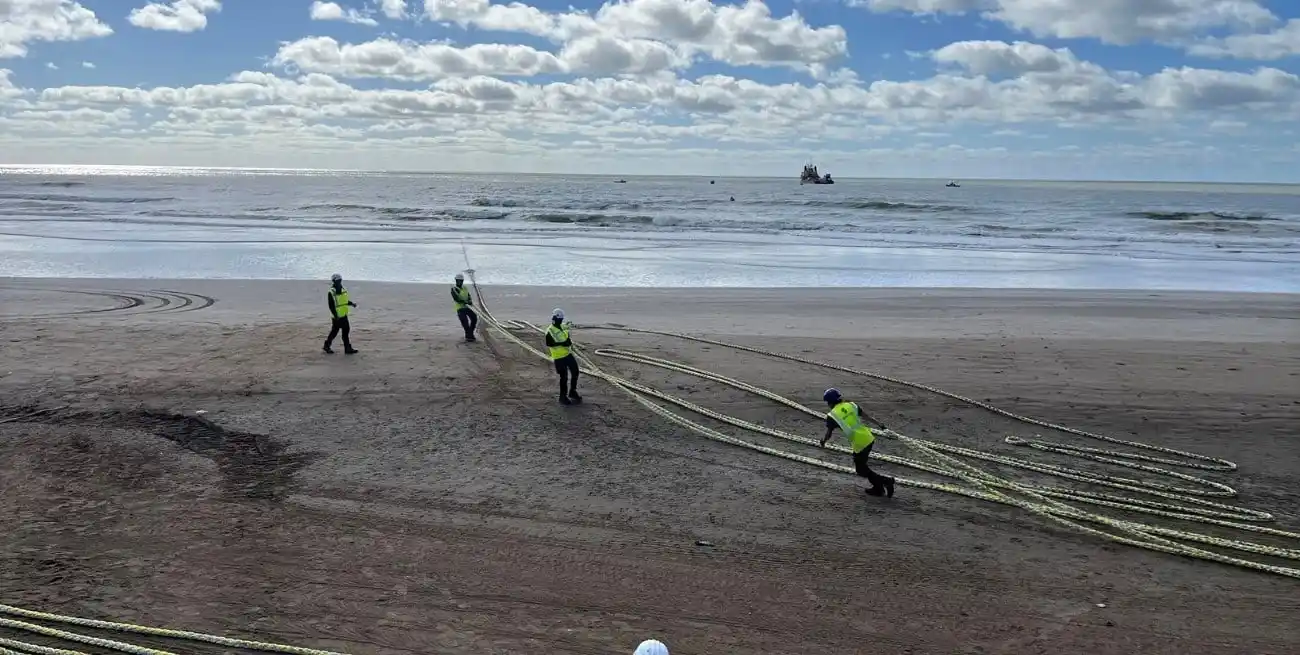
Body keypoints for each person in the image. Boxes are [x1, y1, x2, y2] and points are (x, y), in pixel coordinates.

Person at [820, 388, 894, 497]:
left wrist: (823, 441)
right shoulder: (851, 405)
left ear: (829, 402)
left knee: (861, 469)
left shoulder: (832, 415)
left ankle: (886, 481)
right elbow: (867, 416)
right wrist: (880, 425)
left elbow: (829, 433)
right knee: (862, 466)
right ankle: (878, 488)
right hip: (868, 437)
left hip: (859, 443)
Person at [545, 308, 581, 405]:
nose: (560, 321)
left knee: (575, 371)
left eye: (561, 319)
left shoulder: (562, 326)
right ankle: (562, 396)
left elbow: (566, 330)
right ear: (554, 319)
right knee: (564, 377)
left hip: (567, 354)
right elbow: (549, 343)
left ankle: (572, 391)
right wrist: (563, 343)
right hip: (559, 357)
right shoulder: (550, 331)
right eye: (559, 319)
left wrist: (568, 339)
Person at [323, 273, 358, 355]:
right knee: (335, 332)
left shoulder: (343, 290)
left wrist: (352, 304)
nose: (339, 282)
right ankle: (327, 345)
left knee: (345, 331)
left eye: (340, 280)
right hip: (337, 316)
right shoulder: (331, 292)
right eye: (337, 281)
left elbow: (344, 301)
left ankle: (347, 348)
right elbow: (331, 306)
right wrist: (336, 316)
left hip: (344, 315)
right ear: (334, 281)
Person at [451, 273, 477, 341]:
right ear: (456, 281)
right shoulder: (454, 289)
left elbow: (468, 295)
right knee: (465, 322)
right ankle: (468, 335)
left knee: (474, 318)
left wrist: (469, 300)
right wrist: (465, 302)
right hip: (460, 308)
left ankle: (470, 333)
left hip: (467, 307)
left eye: (461, 281)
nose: (460, 282)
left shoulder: (465, 288)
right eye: (458, 280)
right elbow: (456, 298)